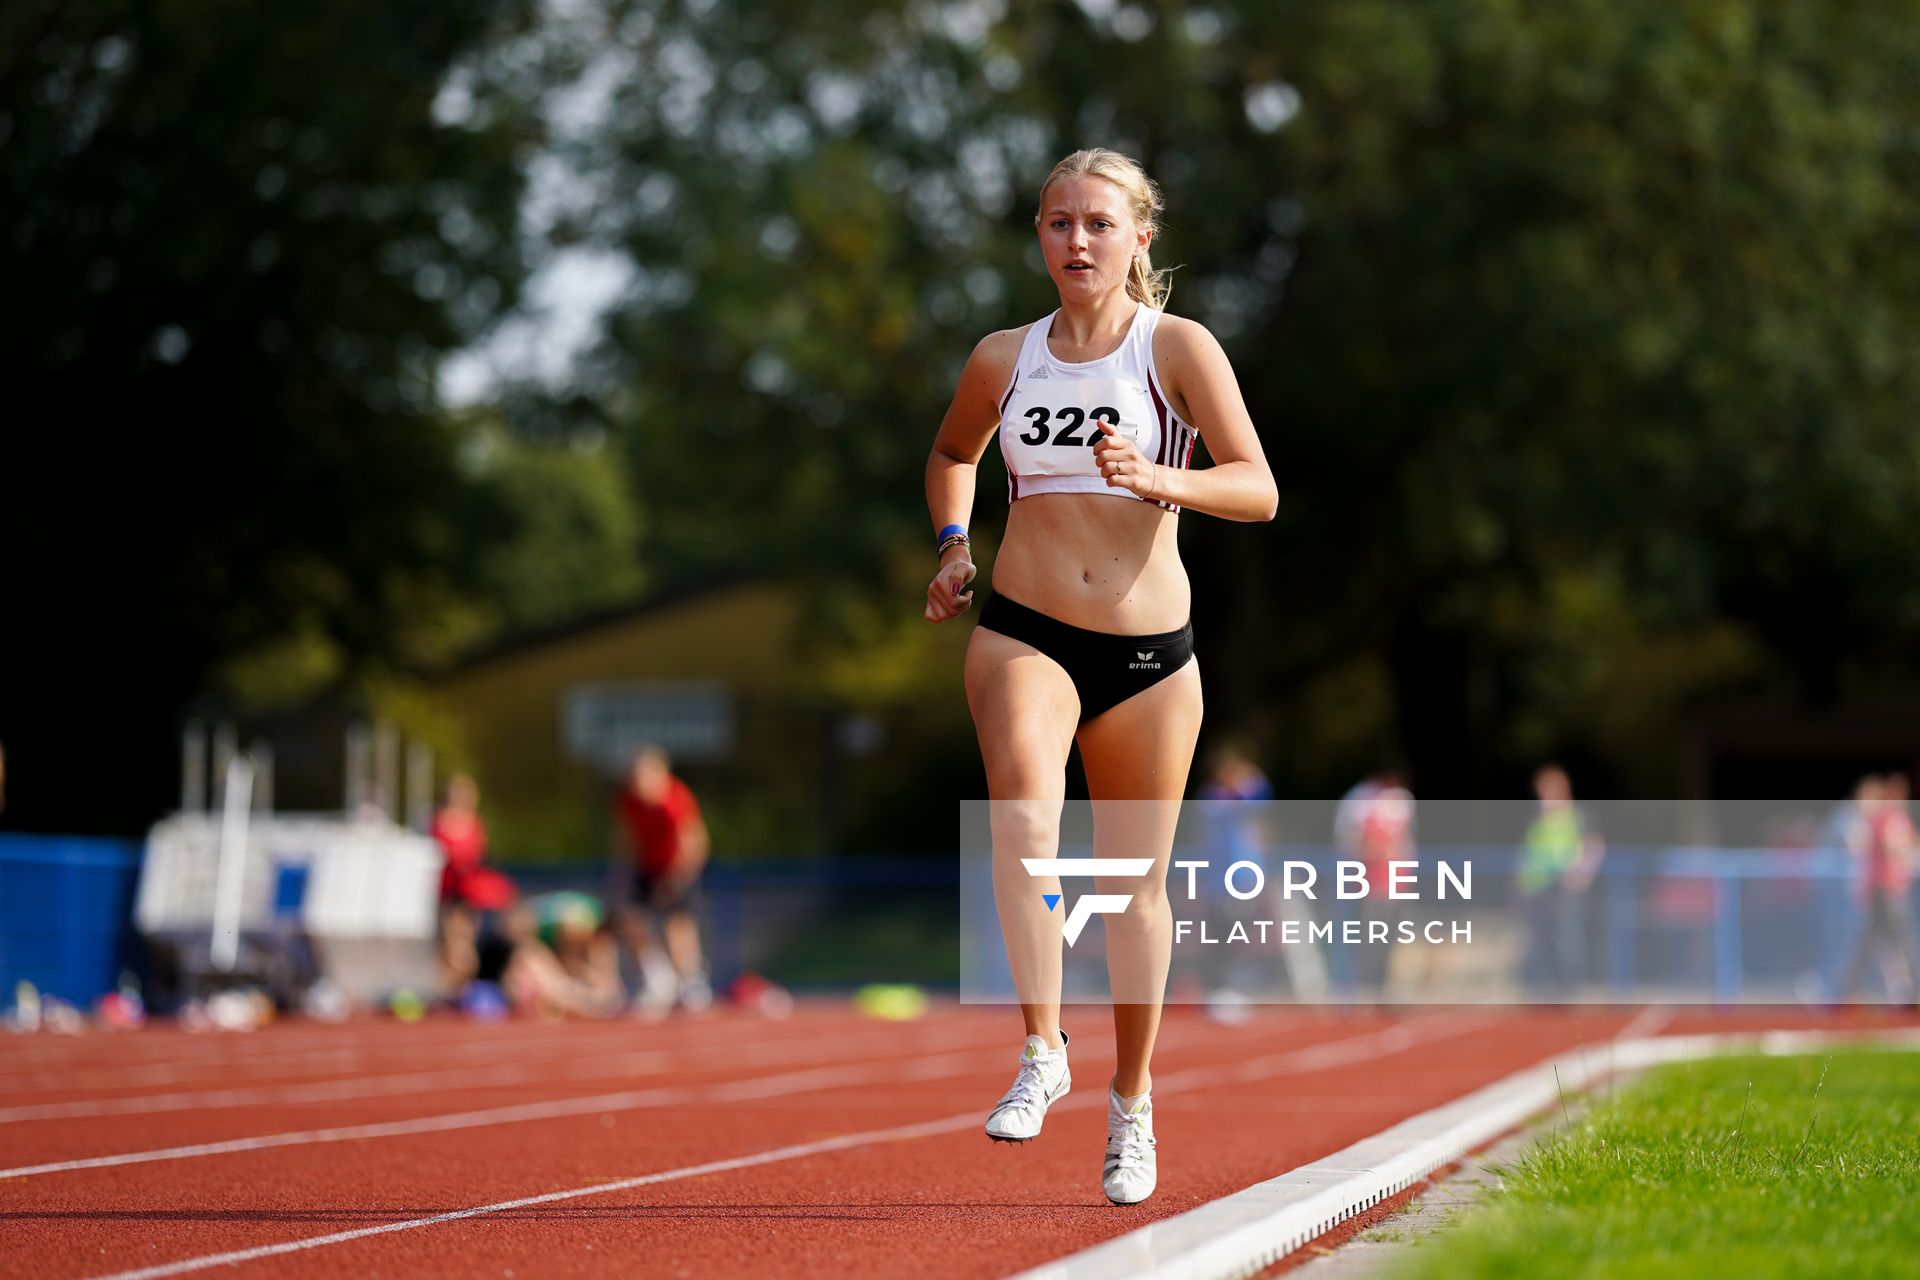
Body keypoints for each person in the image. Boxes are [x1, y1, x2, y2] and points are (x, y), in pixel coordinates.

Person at [923, 147, 1276, 1205]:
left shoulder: (1177, 348)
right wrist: (951, 544)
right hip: (1025, 626)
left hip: (1151, 657)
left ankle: (1132, 1100)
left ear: (1140, 237)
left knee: (1134, 889)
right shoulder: (1004, 356)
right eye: (1057, 222)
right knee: (1023, 817)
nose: (1076, 241)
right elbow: (953, 451)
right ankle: (1041, 1047)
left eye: (1098, 224)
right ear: (1039, 235)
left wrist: (1158, 476)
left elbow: (1257, 486)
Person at [611, 745, 712, 1014]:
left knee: (677, 924)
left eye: (643, 775)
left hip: (678, 866)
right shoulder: (629, 800)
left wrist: (677, 878)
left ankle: (691, 981)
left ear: (660, 774)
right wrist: (622, 871)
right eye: (634, 775)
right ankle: (657, 977)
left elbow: (692, 841)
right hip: (646, 866)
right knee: (630, 918)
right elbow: (627, 836)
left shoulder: (676, 798)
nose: (637, 781)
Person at [1515, 764, 1604, 999]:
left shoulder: (1577, 816)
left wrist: (1580, 876)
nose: (1543, 797)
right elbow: (1528, 854)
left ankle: (1569, 992)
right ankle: (1545, 990)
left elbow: (1594, 847)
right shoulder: (1537, 820)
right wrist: (1522, 884)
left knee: (1567, 939)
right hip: (1538, 888)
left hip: (1566, 889)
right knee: (1540, 940)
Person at [430, 773, 517, 995]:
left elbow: (479, 857)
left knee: (466, 949)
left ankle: (459, 992)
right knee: (452, 947)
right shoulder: (438, 821)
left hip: (470, 897)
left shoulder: (475, 823)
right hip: (448, 894)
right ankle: (449, 991)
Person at [1837, 773, 1920, 1003]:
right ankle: (1914, 989)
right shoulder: (1884, 818)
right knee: (1905, 938)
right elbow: (1889, 846)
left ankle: (1848, 988)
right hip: (1885, 889)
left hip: (1891, 888)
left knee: (1869, 940)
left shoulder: (1898, 817)